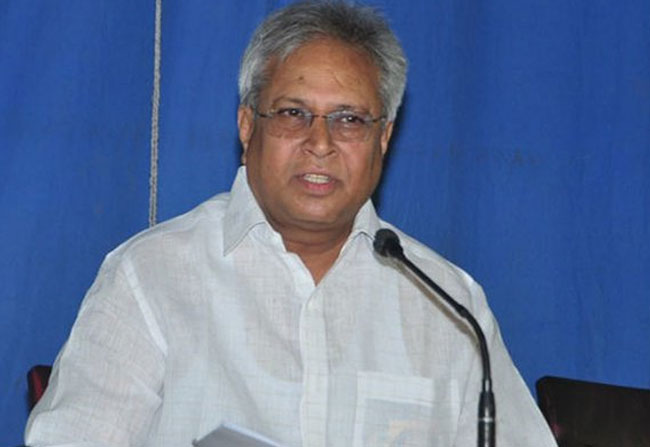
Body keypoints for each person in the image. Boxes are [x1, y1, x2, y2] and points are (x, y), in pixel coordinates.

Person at [25, 1, 558, 446]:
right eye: (292, 114)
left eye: (349, 119)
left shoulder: (448, 305)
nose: (320, 143)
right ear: (246, 126)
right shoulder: (151, 277)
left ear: (383, 138)